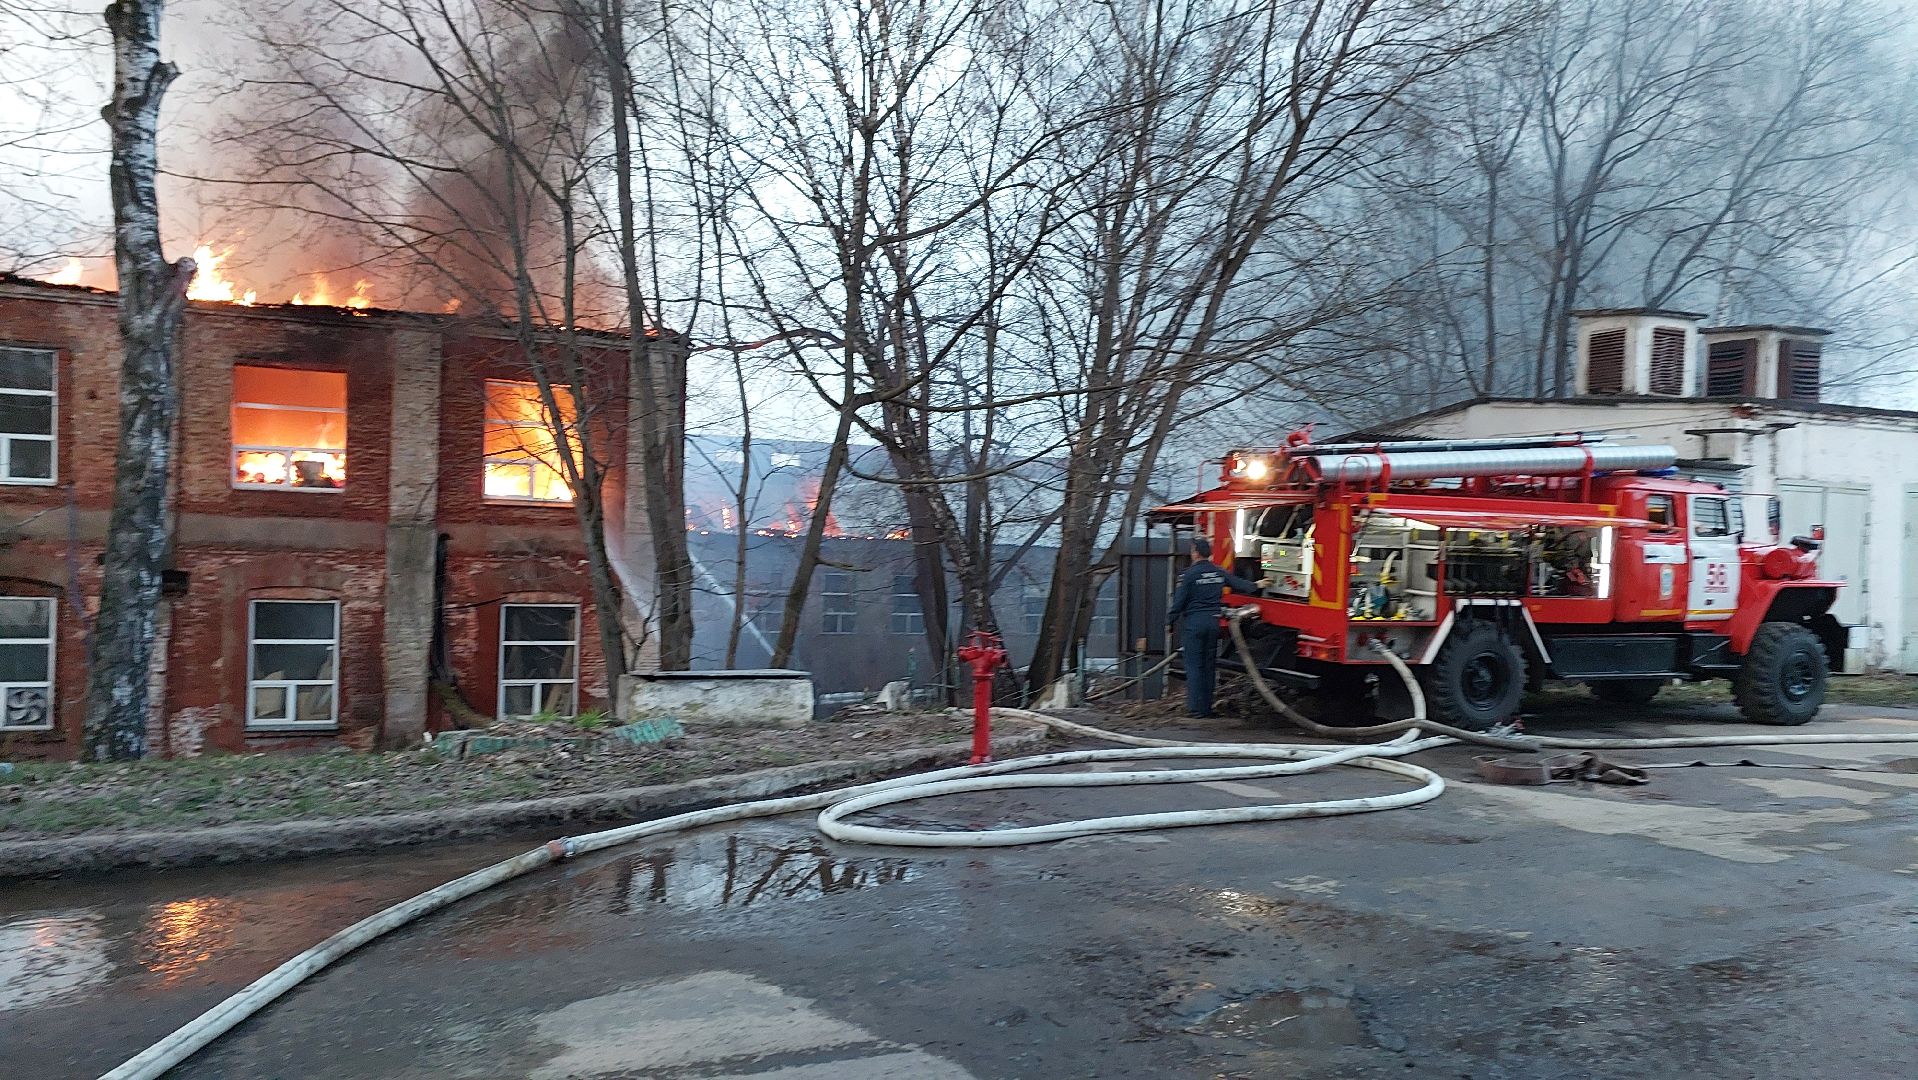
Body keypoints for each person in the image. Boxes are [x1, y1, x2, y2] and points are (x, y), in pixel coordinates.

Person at [1166, 537, 1268, 718]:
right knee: (1208, 667)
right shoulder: (1218, 572)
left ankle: (1195, 710)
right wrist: (1259, 584)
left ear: (1195, 553)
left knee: (1194, 667)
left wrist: (1170, 622)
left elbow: (1178, 603)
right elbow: (1241, 585)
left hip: (1194, 625)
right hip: (1213, 624)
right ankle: (1207, 709)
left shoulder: (1189, 575)